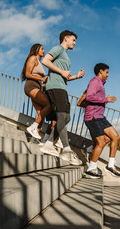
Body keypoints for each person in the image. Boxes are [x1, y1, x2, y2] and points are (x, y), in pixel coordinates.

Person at [40, 30, 85, 165]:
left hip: (62, 87)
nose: (75, 43)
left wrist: (76, 76)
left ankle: (48, 143)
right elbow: (45, 61)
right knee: (61, 116)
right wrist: (61, 71)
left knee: (66, 117)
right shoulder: (58, 48)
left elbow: (65, 76)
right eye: (73, 40)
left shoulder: (65, 55)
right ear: (66, 38)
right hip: (55, 87)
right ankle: (66, 150)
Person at [83, 63, 120, 178]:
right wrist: (105, 99)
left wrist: (105, 100)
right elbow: (89, 97)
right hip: (93, 117)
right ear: (100, 71)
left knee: (115, 137)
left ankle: (110, 165)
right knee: (101, 142)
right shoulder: (95, 81)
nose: (108, 75)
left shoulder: (101, 84)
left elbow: (95, 98)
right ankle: (90, 169)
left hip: (100, 117)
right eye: (107, 72)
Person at [22, 44, 51, 140]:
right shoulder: (33, 58)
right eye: (42, 48)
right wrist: (42, 78)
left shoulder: (38, 61)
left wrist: (43, 83)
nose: (44, 50)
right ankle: (33, 126)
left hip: (37, 87)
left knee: (41, 115)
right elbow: (27, 74)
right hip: (31, 86)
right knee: (49, 105)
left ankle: (33, 139)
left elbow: (38, 79)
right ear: (36, 49)